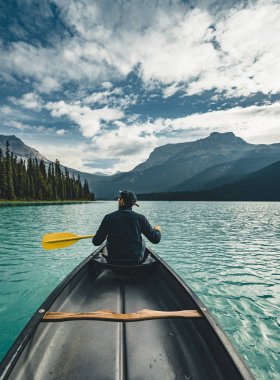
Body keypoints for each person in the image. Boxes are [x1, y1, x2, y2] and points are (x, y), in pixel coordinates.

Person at [92, 191, 161, 265]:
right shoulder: (141, 218)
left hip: (113, 260)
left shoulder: (108, 218)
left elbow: (96, 242)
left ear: (121, 201)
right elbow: (155, 239)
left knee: (107, 243)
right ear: (133, 204)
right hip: (135, 261)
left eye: (119, 199)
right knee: (142, 241)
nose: (118, 201)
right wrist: (157, 230)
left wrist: (104, 235)